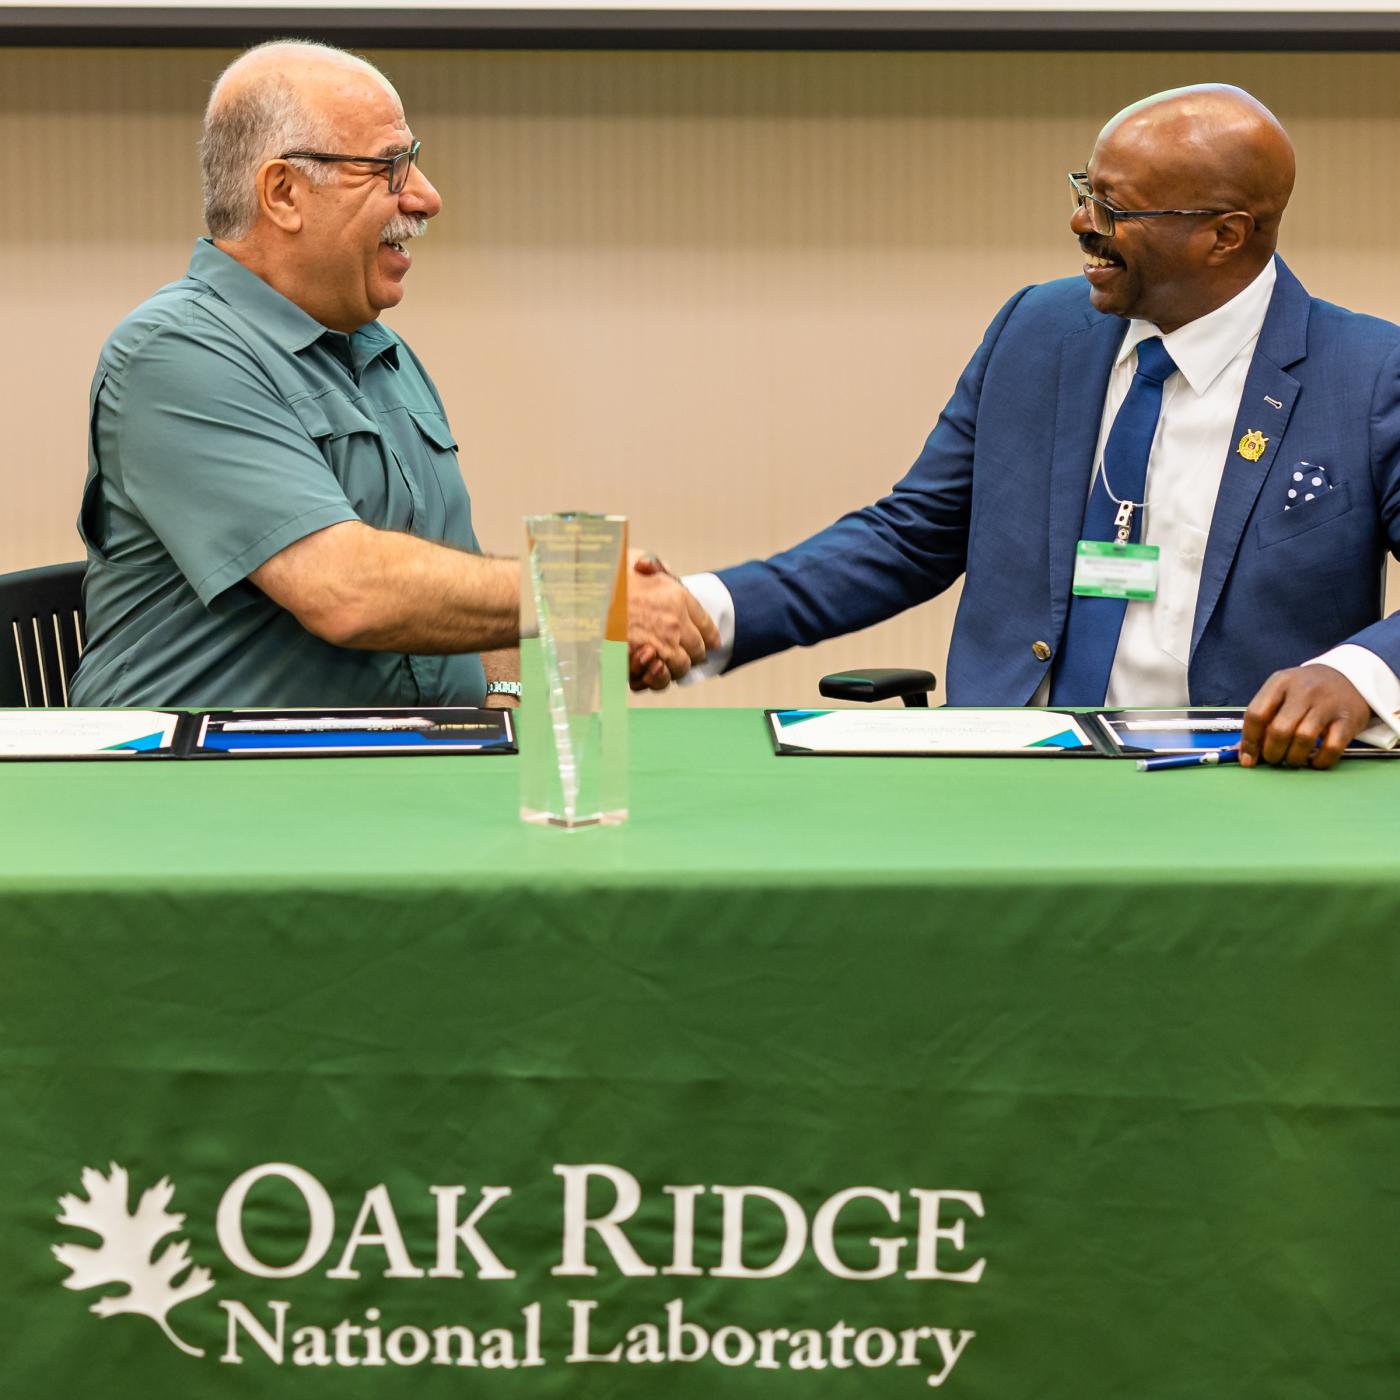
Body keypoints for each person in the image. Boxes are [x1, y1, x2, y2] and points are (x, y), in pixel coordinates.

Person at [636, 84, 1400, 770]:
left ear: (1225, 236)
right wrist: (705, 608)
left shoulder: (1367, 374)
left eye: (1114, 209)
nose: (1080, 222)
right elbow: (911, 535)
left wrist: (1356, 674)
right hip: (1008, 767)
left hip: (1230, 774)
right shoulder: (1038, 330)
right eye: (1084, 190)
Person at [71, 39, 715, 709]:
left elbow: (452, 590)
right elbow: (345, 589)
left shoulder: (382, 352)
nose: (427, 198)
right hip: (196, 790)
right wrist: (591, 596)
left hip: (396, 775)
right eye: (388, 168)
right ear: (284, 193)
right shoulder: (174, 353)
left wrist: (509, 695)